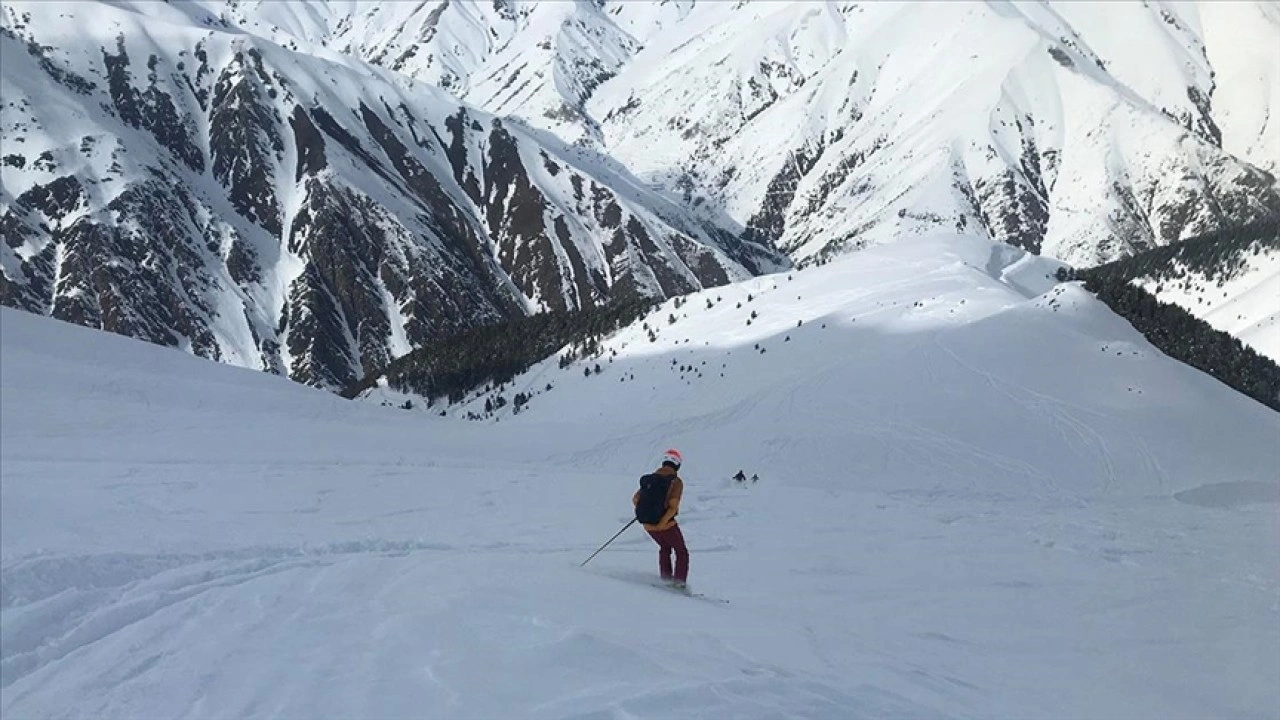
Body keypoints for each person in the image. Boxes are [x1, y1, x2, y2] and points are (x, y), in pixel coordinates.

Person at [633, 448, 689, 588]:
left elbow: (635, 499)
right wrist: (662, 522)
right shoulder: (676, 481)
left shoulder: (651, 479)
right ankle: (679, 584)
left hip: (648, 524)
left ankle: (665, 579)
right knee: (681, 552)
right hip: (666, 525)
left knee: (664, 548)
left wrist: (647, 512)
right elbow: (673, 506)